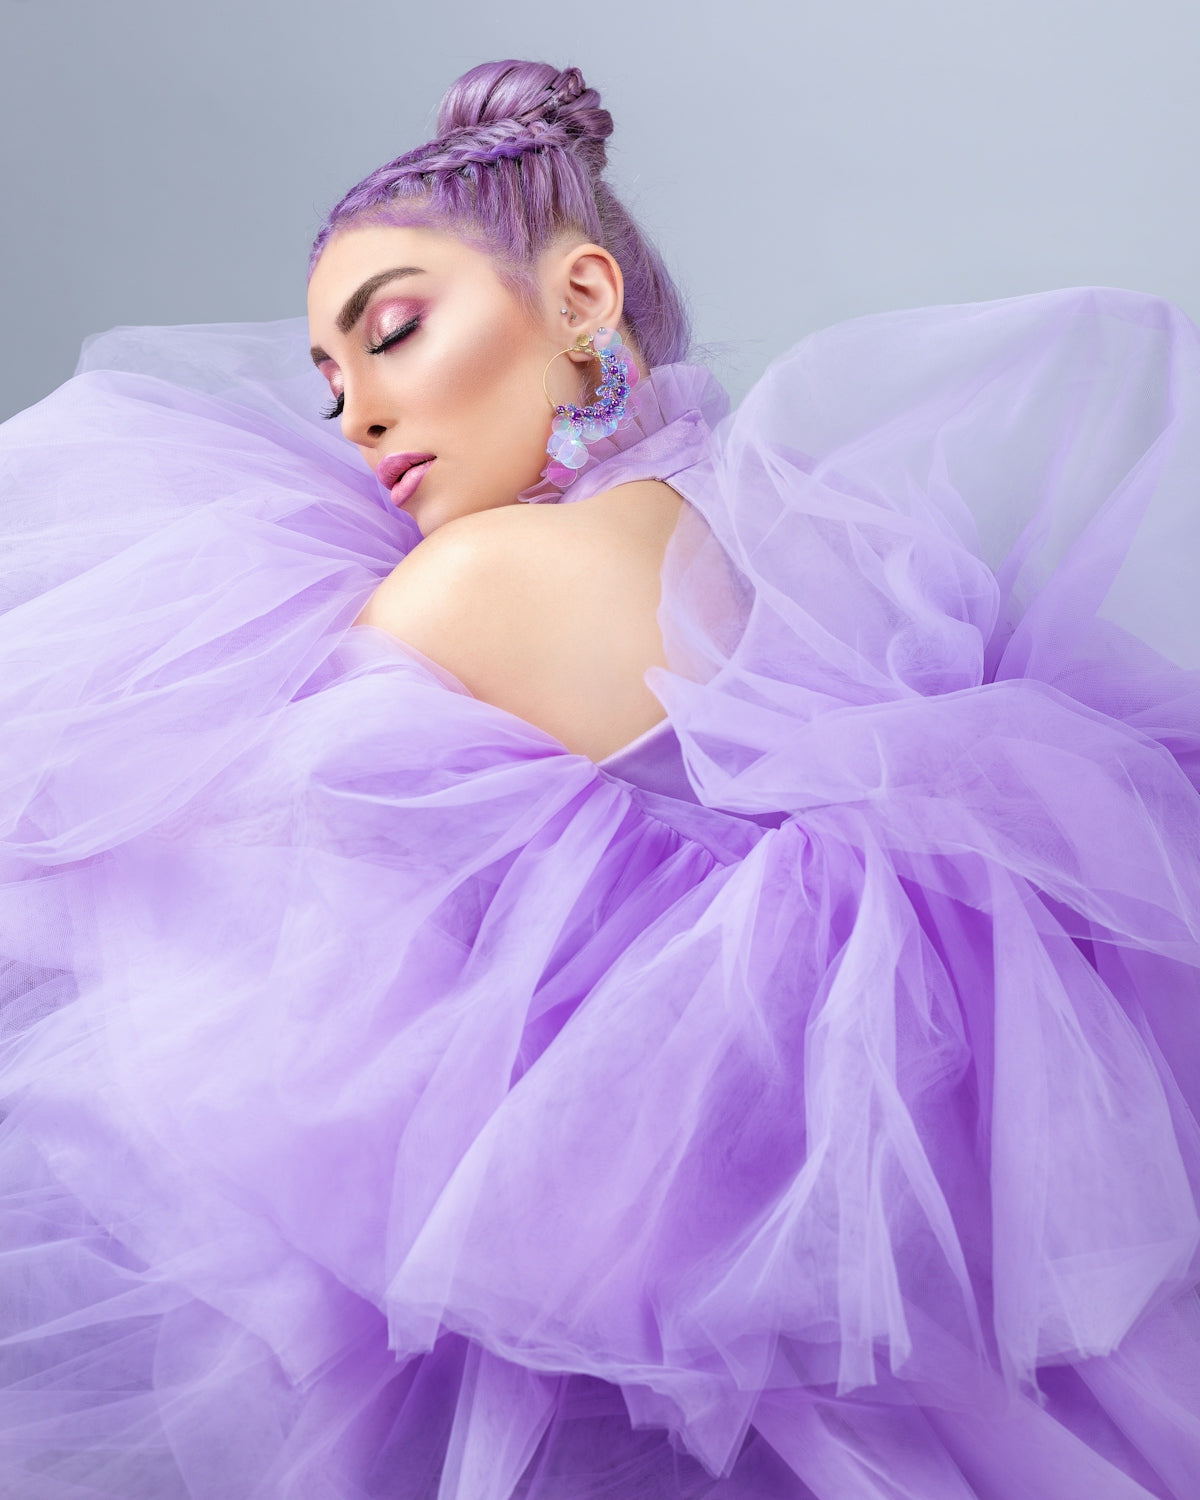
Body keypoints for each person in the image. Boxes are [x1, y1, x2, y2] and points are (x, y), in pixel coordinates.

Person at [1, 55, 1199, 1500]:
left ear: (580, 301)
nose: (362, 416)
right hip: (867, 1276)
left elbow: (189, 890)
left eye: (393, 332)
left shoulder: (468, 588)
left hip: (597, 1283)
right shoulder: (802, 542)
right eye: (330, 380)